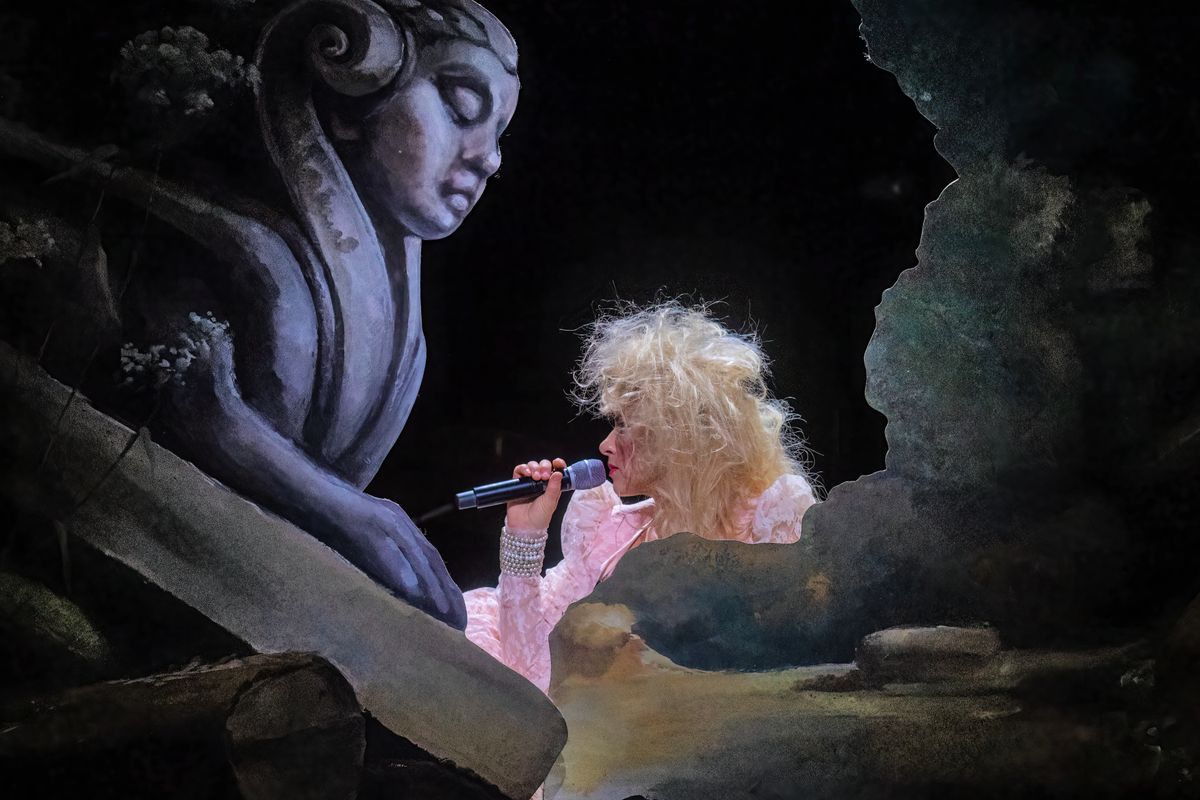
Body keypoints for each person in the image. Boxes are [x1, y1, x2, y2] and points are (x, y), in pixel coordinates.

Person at [464, 303, 820, 692]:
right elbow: (529, 676)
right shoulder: (609, 532)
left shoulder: (768, 520)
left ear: (675, 436)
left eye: (623, 426)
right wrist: (524, 535)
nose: (605, 445)